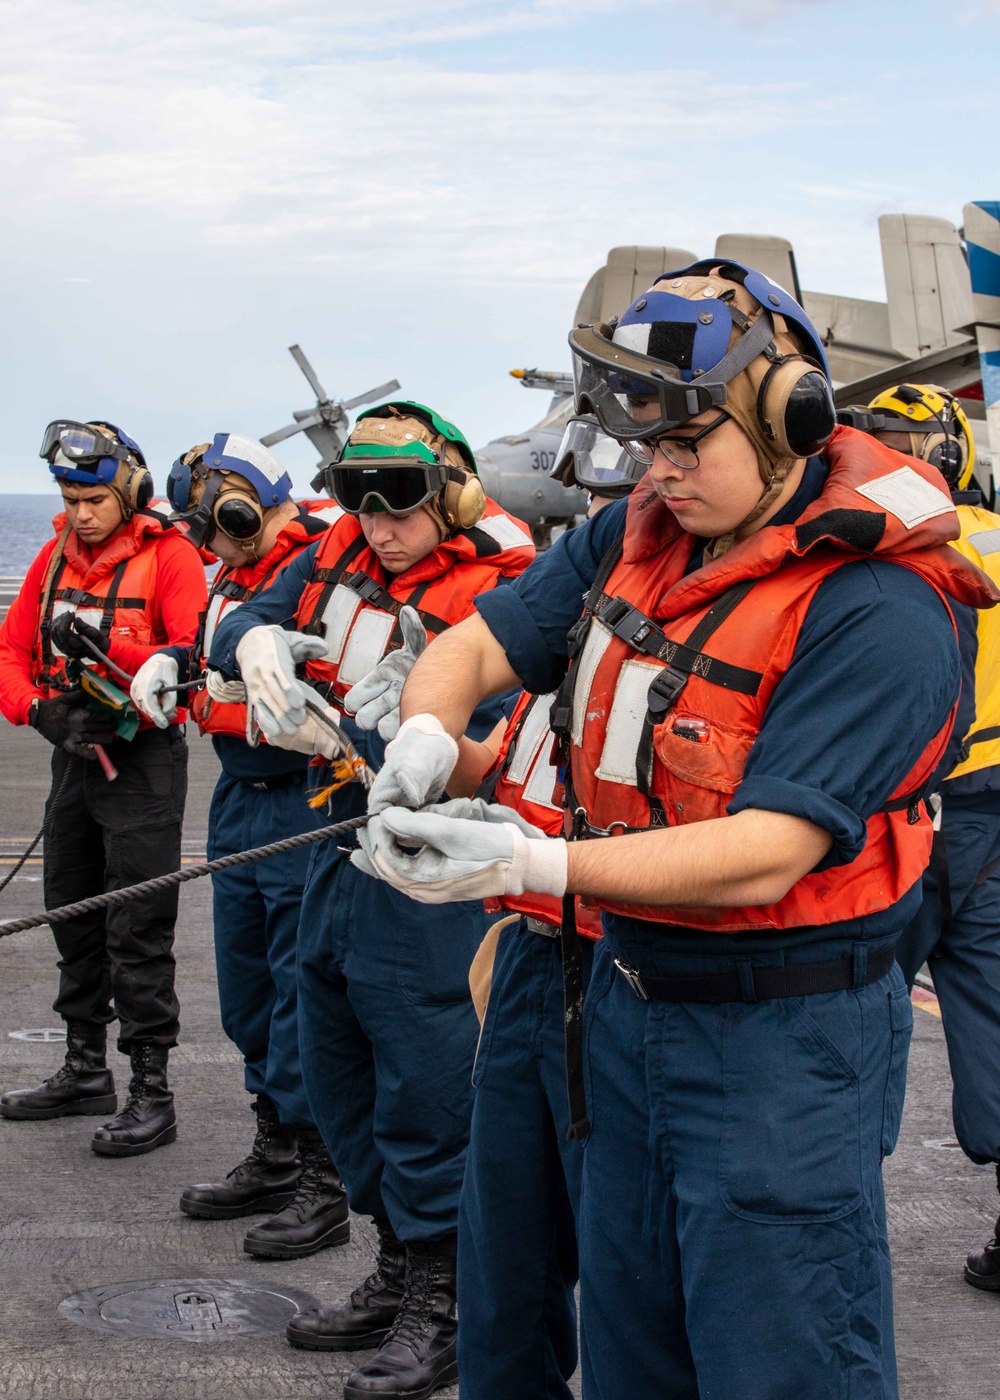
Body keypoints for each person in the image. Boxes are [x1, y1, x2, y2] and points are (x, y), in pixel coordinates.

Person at [352, 264, 999, 1398]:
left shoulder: (882, 603)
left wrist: (532, 862)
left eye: (688, 441)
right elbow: (478, 645)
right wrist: (424, 727)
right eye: (646, 444)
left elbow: (770, 848)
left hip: (780, 1043)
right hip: (621, 1004)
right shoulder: (632, 537)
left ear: (790, 414)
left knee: (781, 1353)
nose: (660, 469)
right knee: (633, 1348)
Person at [207, 401, 534, 1400]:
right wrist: (252, 647)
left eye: (400, 507)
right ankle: (397, 1263)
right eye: (360, 502)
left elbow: (496, 732)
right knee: (335, 1055)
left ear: (451, 493)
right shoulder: (343, 546)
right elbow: (257, 610)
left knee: (427, 1079)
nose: (379, 525)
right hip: (336, 841)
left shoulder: (507, 582)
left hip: (430, 865)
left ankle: (445, 1294)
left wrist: (382, 740)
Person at [446, 419, 641, 1400]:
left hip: (618, 970)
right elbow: (520, 765)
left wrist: (541, 861)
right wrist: (446, 760)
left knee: (625, 1278)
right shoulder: (571, 632)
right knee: (502, 1263)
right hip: (529, 955)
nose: (600, 527)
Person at [129, 433, 351, 1259]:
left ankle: (325, 1183)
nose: (208, 544)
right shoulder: (237, 574)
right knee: (250, 996)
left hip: (304, 799)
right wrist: (175, 659)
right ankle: (277, 1150)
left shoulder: (322, 562)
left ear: (242, 505)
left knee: (304, 1000)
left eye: (214, 526)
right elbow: (218, 655)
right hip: (240, 798)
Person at [0, 420, 206, 1155]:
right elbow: (9, 651)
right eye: (68, 496)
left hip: (143, 763)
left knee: (137, 927)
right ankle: (86, 1067)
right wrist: (42, 711)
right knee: (72, 912)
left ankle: (153, 1090)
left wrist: (110, 650)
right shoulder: (53, 558)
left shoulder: (173, 558)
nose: (80, 512)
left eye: (92, 497)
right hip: (73, 758)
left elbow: (187, 661)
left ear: (125, 490)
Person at [840, 386, 1000, 1291]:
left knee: (843, 1013)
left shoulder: (886, 548)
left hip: (905, 816)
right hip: (994, 819)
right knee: (993, 1015)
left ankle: (828, 1221)